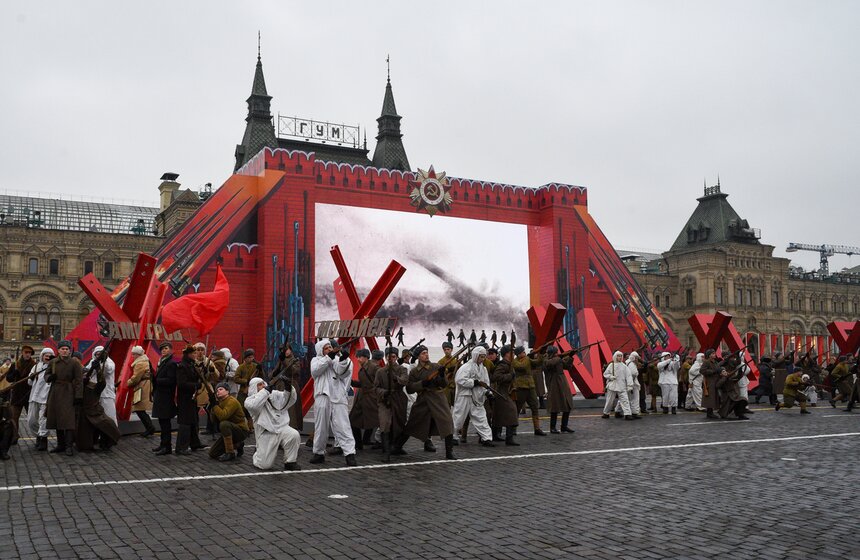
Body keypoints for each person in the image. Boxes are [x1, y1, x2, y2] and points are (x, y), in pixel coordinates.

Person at [398, 345, 457, 460]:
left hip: (438, 398)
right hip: (423, 400)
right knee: (412, 424)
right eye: (423, 353)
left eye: (426, 352)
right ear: (418, 356)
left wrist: (441, 374)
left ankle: (449, 452)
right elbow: (409, 389)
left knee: (447, 422)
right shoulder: (415, 371)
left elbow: (444, 384)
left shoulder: (436, 366)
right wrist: (422, 384)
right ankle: (397, 446)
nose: (426, 355)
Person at [310, 339, 357, 466]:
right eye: (326, 348)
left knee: (343, 426)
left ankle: (349, 454)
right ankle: (318, 453)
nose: (330, 350)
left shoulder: (336, 359)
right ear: (320, 350)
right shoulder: (316, 360)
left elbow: (342, 373)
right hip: (322, 396)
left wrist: (344, 359)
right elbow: (315, 371)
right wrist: (329, 357)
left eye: (330, 347)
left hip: (338, 397)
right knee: (321, 427)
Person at [245, 376, 301, 470]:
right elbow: (254, 406)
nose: (263, 386)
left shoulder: (274, 394)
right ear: (254, 387)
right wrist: (265, 392)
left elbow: (288, 400)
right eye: (259, 385)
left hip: (282, 428)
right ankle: (258, 453)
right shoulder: (250, 400)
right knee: (264, 465)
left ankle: (290, 461)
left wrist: (288, 388)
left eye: (263, 383)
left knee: (293, 435)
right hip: (266, 432)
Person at [76, 351, 121, 452]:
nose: (84, 376)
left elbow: (102, 382)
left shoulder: (93, 387)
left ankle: (105, 442)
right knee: (85, 440)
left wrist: (98, 368)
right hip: (84, 414)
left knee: (108, 425)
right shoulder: (77, 386)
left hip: (95, 412)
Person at [45, 340, 83, 456]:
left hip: (68, 392)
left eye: (67, 349)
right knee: (57, 419)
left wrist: (78, 396)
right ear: (58, 350)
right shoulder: (53, 362)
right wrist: (50, 377)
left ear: (69, 350)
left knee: (68, 420)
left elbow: (79, 380)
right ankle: (60, 445)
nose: (65, 351)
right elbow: (46, 375)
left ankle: (68, 446)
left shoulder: (74, 363)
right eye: (63, 349)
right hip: (55, 392)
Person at [452, 346, 494, 446]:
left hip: (477, 397)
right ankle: (453, 436)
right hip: (465, 396)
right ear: (476, 356)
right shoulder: (466, 367)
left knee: (481, 418)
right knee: (458, 417)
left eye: (484, 357)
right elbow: (459, 380)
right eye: (481, 357)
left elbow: (485, 383)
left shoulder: (483, 369)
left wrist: (488, 392)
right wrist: (473, 382)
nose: (483, 359)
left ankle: (486, 438)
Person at [376, 346, 409, 462]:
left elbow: (404, 380)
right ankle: (386, 452)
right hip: (385, 401)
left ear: (397, 357)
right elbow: (376, 388)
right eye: (389, 357)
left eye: (393, 357)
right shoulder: (380, 371)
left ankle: (396, 446)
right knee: (385, 424)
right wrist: (384, 392)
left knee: (398, 424)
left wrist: (395, 378)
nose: (391, 359)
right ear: (385, 358)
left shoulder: (402, 369)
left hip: (398, 399)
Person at [207, 382, 249, 461]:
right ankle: (238, 444)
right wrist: (212, 406)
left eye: (221, 389)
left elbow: (223, 416)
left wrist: (215, 406)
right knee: (212, 453)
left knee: (224, 424)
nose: (218, 391)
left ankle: (230, 453)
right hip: (229, 430)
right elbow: (214, 421)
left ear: (227, 391)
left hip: (241, 430)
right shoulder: (219, 402)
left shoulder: (232, 401)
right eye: (216, 390)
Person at [174, 345, 203, 455]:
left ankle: (195, 443)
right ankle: (181, 447)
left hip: (191, 397)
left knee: (193, 421)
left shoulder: (191, 365)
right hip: (185, 398)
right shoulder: (183, 366)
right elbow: (182, 384)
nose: (196, 355)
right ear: (188, 354)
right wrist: (196, 385)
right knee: (185, 423)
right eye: (194, 353)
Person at [349, 348, 379, 450]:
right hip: (362, 398)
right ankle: (359, 443)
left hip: (371, 398)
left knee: (375, 420)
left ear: (366, 357)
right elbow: (363, 384)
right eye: (357, 357)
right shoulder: (363, 367)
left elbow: (379, 382)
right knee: (353, 420)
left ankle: (382, 443)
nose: (358, 359)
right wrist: (352, 382)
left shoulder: (374, 367)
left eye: (359, 357)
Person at [5, 344, 36, 444]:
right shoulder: (15, 364)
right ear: (22, 353)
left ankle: (39, 437)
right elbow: (8, 378)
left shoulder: (34, 365)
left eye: (29, 353)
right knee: (14, 418)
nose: (28, 354)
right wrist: (14, 373)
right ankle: (14, 436)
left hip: (29, 394)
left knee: (33, 419)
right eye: (26, 352)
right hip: (17, 395)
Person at [151, 342, 178, 456]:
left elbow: (172, 380)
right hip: (160, 396)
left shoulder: (171, 363)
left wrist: (158, 380)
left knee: (165, 423)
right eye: (162, 349)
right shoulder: (162, 362)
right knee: (162, 422)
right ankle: (163, 444)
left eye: (166, 348)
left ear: (171, 350)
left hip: (166, 397)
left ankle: (167, 446)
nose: (163, 350)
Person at [513, 346, 546, 435]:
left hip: (530, 386)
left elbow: (538, 362)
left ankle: (537, 428)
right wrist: (527, 358)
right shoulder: (515, 361)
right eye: (523, 352)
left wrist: (541, 354)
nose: (524, 353)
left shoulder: (527, 359)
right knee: (517, 408)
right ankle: (513, 429)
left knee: (535, 407)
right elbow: (522, 366)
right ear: (518, 354)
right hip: (520, 387)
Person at [543, 346, 576, 432]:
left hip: (563, 383)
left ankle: (564, 426)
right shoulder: (546, 359)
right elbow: (548, 364)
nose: (557, 354)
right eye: (556, 352)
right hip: (554, 384)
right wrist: (559, 357)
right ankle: (552, 427)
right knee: (555, 407)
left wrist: (570, 357)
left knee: (567, 405)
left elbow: (567, 366)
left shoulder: (557, 359)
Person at [491, 345, 519, 446]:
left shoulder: (509, 364)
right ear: (507, 353)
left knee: (500, 415)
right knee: (511, 413)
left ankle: (497, 435)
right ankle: (508, 438)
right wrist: (509, 376)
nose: (514, 354)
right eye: (512, 352)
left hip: (507, 392)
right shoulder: (503, 364)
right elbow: (496, 377)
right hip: (501, 392)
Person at [27, 348, 54, 451]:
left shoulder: (54, 367)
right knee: (31, 421)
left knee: (43, 420)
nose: (47, 357)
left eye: (49, 355)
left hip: (46, 397)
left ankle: (43, 440)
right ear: (42, 356)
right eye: (45, 355)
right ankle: (38, 435)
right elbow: (29, 383)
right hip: (34, 396)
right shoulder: (35, 367)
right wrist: (32, 377)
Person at [271, 343, 302, 432]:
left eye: (286, 349)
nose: (285, 352)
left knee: (292, 411)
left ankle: (291, 429)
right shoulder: (281, 360)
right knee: (280, 409)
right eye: (282, 350)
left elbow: (294, 371)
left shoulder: (295, 360)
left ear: (290, 349)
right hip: (280, 387)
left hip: (291, 385)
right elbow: (274, 373)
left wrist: (284, 361)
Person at [127, 345, 155, 437]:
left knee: (139, 408)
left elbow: (136, 378)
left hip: (142, 387)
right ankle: (149, 428)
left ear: (138, 354)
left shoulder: (140, 363)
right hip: (145, 385)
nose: (133, 356)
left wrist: (128, 383)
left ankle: (150, 428)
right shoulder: (144, 361)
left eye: (134, 354)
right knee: (140, 408)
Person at [88, 346, 116, 423]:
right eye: (97, 354)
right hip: (95, 393)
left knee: (110, 416)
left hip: (106, 394)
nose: (98, 356)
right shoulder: (92, 362)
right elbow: (87, 372)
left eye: (100, 354)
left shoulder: (109, 362)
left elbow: (108, 370)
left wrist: (102, 363)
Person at [602, 351, 633, 420]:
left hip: (622, 386)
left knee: (625, 400)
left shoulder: (624, 366)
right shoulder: (611, 365)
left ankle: (627, 414)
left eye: (621, 356)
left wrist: (630, 385)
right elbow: (605, 374)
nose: (620, 357)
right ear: (615, 357)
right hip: (612, 386)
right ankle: (606, 413)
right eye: (618, 356)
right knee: (609, 401)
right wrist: (610, 377)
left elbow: (628, 376)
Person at [700, 349, 721, 419]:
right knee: (710, 398)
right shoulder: (706, 362)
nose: (714, 355)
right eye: (712, 353)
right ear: (709, 355)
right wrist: (713, 371)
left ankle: (711, 412)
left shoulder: (715, 362)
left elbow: (718, 368)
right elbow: (702, 370)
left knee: (713, 397)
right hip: (709, 381)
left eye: (714, 353)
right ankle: (709, 413)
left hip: (715, 380)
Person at [624, 351, 644, 419]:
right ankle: (634, 412)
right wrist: (631, 385)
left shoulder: (629, 362)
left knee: (626, 398)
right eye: (636, 358)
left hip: (630, 383)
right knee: (634, 398)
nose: (637, 360)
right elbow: (633, 374)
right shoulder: (631, 364)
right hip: (632, 384)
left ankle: (619, 411)